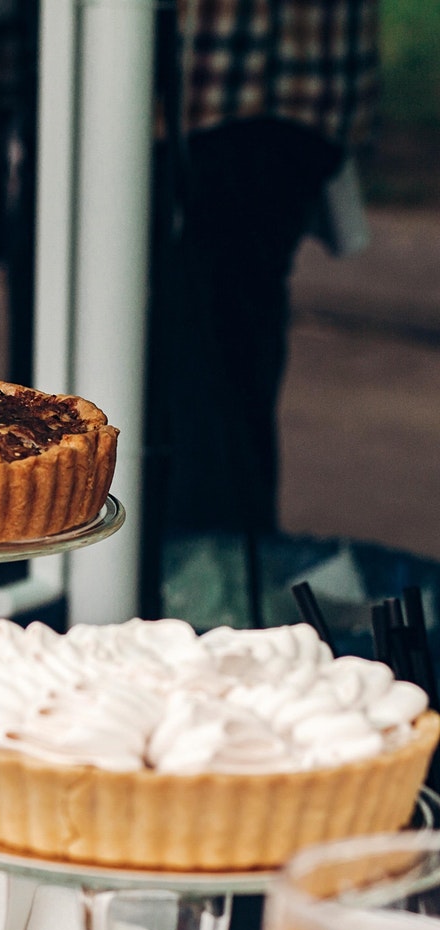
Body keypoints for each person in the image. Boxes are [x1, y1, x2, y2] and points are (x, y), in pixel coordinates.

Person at [149, 0, 379, 616]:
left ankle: (209, 615)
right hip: (279, 99)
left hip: (217, 95)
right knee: (221, 375)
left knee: (196, 389)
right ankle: (220, 605)